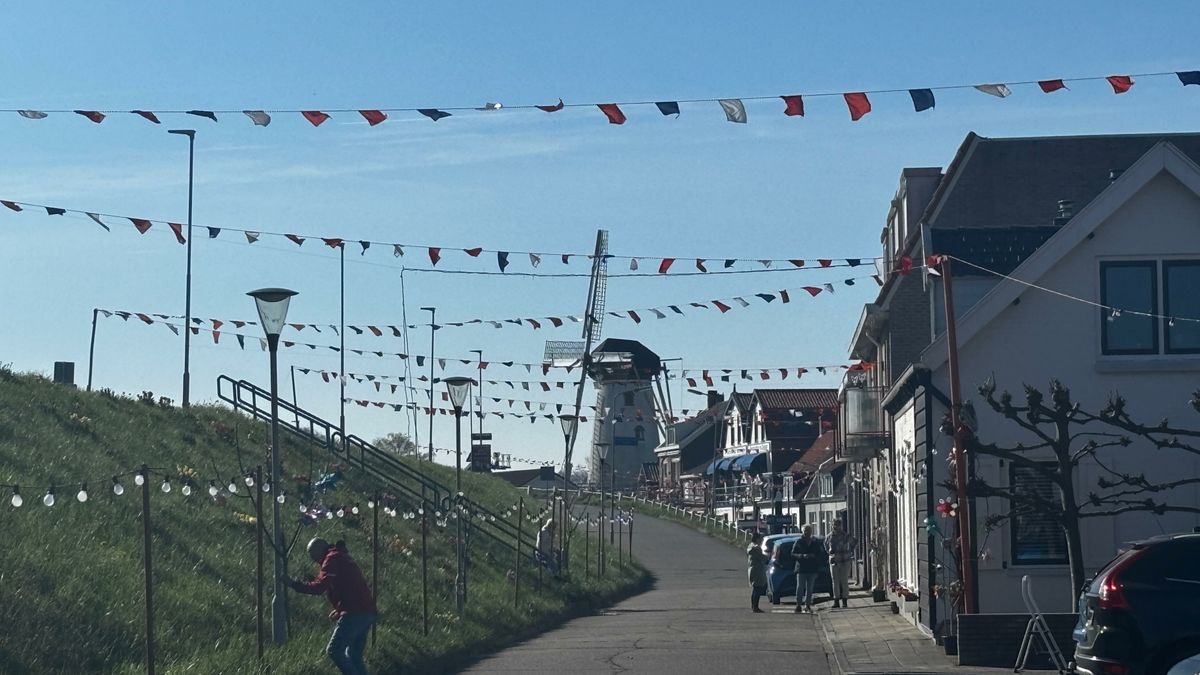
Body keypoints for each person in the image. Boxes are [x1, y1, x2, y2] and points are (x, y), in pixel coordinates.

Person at [284, 538, 378, 675]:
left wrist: (293, 584)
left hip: (354, 612)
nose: (311, 558)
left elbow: (319, 587)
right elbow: (349, 587)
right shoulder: (340, 556)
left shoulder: (331, 559)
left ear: (319, 549)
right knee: (354, 655)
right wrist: (339, 610)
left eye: (311, 553)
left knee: (334, 650)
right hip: (366, 611)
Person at [791, 525, 824, 613]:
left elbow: (820, 553)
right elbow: (793, 553)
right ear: (802, 531)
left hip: (812, 568)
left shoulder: (814, 542)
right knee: (800, 587)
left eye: (809, 531)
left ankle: (807, 605)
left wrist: (814, 556)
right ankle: (798, 605)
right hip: (801, 568)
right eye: (805, 530)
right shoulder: (799, 542)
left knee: (810, 588)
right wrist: (802, 556)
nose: (807, 532)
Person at [826, 519, 857, 608]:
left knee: (844, 581)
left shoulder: (846, 536)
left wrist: (850, 551)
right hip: (834, 561)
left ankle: (844, 600)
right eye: (834, 525)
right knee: (835, 581)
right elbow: (825, 545)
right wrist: (830, 553)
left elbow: (854, 542)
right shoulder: (829, 537)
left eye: (837, 525)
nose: (836, 527)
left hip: (844, 561)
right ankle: (836, 600)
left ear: (841, 526)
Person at [747, 532, 768, 613]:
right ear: (757, 539)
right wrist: (768, 558)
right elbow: (762, 558)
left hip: (752, 569)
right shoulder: (757, 548)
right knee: (757, 589)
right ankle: (755, 607)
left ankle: (754, 606)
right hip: (757, 570)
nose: (762, 541)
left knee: (755, 589)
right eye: (761, 539)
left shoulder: (750, 546)